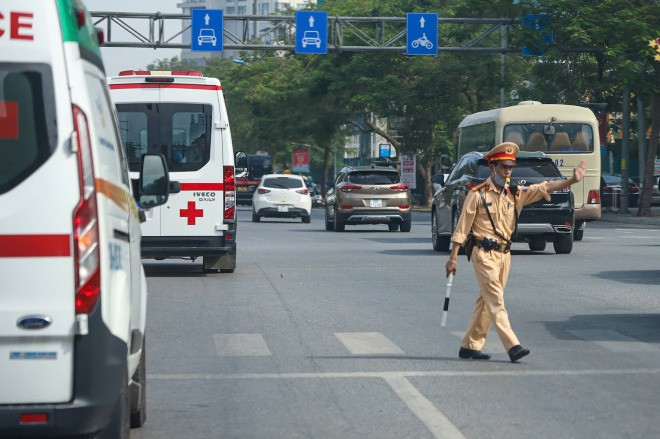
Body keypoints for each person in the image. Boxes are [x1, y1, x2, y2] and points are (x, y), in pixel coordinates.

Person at [445, 142, 586, 363]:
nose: (508, 171)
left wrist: (571, 181)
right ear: (493, 168)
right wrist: (453, 258)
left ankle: (469, 346)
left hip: (504, 256)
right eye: (503, 167)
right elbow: (462, 228)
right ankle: (512, 345)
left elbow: (544, 187)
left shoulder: (515, 194)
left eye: (510, 167)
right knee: (496, 299)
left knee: (486, 301)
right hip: (482, 253)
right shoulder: (477, 195)